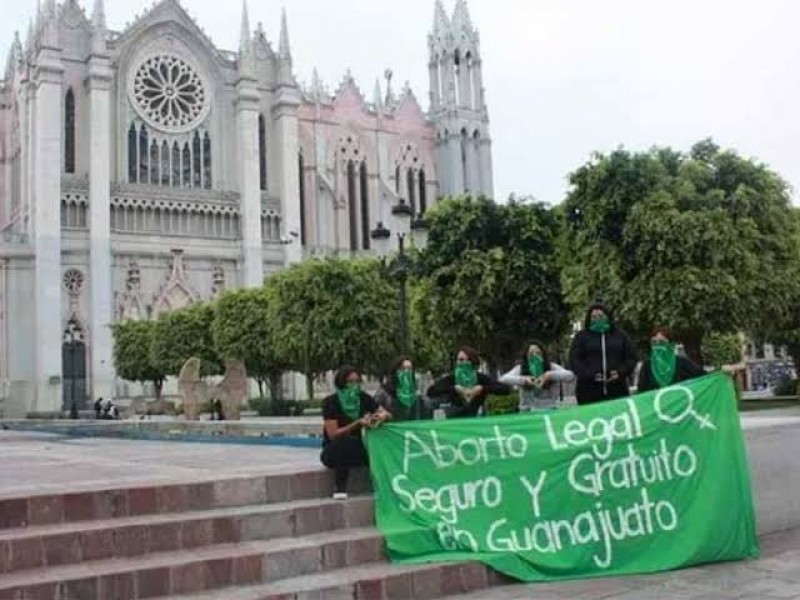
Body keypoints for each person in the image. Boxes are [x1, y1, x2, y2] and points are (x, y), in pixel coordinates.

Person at [320, 366, 391, 499]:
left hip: (358, 449)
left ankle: (383, 485)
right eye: (350, 382)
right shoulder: (331, 402)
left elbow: (385, 412)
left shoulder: (364, 398)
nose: (354, 385)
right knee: (343, 441)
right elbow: (333, 434)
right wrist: (357, 423)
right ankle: (340, 487)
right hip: (334, 452)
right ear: (342, 383)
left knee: (378, 439)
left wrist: (381, 416)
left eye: (357, 381)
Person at [568, 303, 637, 405]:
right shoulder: (581, 337)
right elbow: (574, 360)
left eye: (600, 316)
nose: (597, 319)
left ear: (607, 317)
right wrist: (590, 375)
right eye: (594, 317)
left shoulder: (620, 335)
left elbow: (631, 358)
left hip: (617, 389)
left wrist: (620, 372)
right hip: (588, 390)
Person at [426, 346, 511, 418]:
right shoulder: (452, 378)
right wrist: (455, 389)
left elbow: (505, 389)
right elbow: (431, 391)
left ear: (471, 361)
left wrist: (482, 388)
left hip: (477, 420)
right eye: (458, 360)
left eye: (462, 360)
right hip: (456, 421)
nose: (459, 363)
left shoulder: (480, 378)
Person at [500, 341, 575, 411]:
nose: (535, 356)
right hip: (527, 412)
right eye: (531, 354)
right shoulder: (521, 368)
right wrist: (524, 380)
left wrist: (549, 375)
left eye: (538, 353)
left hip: (550, 410)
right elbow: (503, 379)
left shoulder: (551, 367)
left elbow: (570, 375)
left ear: (543, 355)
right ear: (526, 356)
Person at [636, 326, 706, 393]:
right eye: (654, 342)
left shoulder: (681, 362)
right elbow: (641, 391)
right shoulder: (647, 365)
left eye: (661, 342)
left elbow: (703, 376)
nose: (657, 345)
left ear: (670, 344)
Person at [374, 356, 428, 421]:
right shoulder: (384, 392)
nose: (406, 372)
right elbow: (374, 413)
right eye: (402, 369)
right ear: (395, 371)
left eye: (409, 369)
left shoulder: (416, 393)